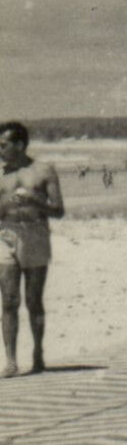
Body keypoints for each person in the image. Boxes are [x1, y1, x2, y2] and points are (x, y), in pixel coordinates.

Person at [0, 122, 64, 377]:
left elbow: (58, 210)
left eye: (3, 145)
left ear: (20, 145)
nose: (0, 150)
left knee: (33, 300)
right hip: (5, 235)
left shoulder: (43, 170)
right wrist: (6, 202)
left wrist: (35, 200)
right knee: (8, 300)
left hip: (35, 233)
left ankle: (38, 353)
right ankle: (11, 360)